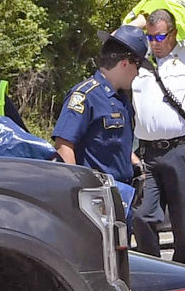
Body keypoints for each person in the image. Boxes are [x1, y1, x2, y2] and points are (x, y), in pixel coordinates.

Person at [52, 25, 157, 251]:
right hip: (96, 203)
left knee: (121, 264)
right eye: (138, 66)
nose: (138, 74)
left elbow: (114, 141)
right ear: (125, 63)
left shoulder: (121, 100)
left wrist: (135, 164)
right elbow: (64, 144)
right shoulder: (85, 95)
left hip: (121, 198)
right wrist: (77, 190)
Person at [129, 8, 185, 264]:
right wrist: (137, 23)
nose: (155, 43)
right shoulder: (139, 61)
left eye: (161, 37)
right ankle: (154, 269)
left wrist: (179, 12)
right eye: (150, 37)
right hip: (149, 153)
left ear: (174, 33)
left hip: (182, 150)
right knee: (142, 215)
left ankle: (184, 273)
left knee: (182, 220)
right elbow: (113, 41)